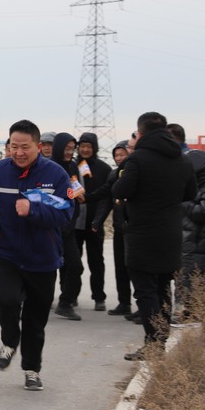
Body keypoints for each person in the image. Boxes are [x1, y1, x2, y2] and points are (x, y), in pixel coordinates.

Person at [0, 120, 72, 391]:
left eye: (25, 147)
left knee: (35, 319)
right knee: (6, 300)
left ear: (38, 147)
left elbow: (65, 213)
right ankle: (9, 341)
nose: (18, 152)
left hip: (43, 257)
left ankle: (31, 369)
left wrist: (34, 210)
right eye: (13, 147)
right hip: (6, 252)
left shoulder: (56, 176)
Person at [114, 112, 196, 360]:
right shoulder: (182, 159)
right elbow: (191, 192)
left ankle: (153, 344)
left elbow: (120, 190)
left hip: (143, 233)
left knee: (145, 291)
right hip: (171, 232)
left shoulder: (138, 158)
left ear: (141, 132)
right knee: (162, 288)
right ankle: (160, 342)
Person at [167, 124, 205, 316]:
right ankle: (189, 314)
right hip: (199, 244)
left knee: (201, 284)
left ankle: (197, 321)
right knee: (192, 281)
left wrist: (183, 202)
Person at [89, 141, 133, 316]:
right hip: (118, 227)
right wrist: (97, 221)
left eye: (123, 154)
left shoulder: (134, 173)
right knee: (120, 267)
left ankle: (141, 305)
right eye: (117, 155)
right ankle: (124, 302)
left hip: (134, 228)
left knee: (134, 268)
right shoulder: (114, 175)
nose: (119, 158)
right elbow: (106, 199)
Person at [75, 133, 112, 311]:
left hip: (94, 224)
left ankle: (99, 297)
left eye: (88, 146)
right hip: (75, 223)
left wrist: (98, 220)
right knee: (73, 262)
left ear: (94, 147)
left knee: (96, 261)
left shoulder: (104, 169)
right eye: (82, 146)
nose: (85, 149)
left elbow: (107, 198)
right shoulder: (73, 167)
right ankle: (71, 295)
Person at [52, 132, 85, 321]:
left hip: (68, 226)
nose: (69, 152)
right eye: (66, 148)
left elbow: (77, 192)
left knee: (75, 266)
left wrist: (75, 193)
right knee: (44, 267)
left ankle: (65, 303)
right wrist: (73, 193)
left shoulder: (72, 165)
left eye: (72, 149)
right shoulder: (49, 167)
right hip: (51, 226)